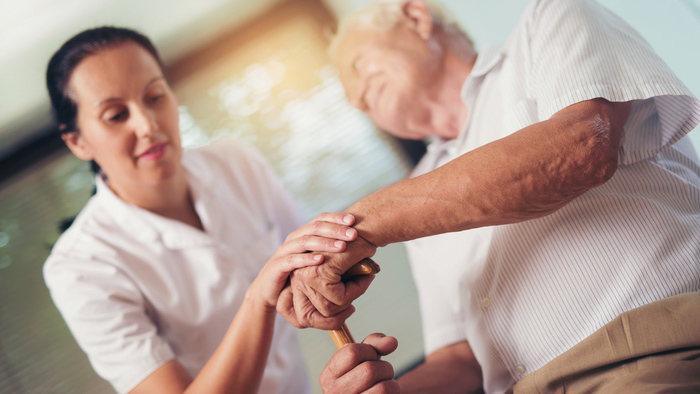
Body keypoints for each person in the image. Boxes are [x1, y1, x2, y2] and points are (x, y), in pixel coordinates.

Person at [277, 0, 700, 393]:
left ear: (415, 17)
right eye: (354, 102)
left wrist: (362, 225)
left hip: (651, 353)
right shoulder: (412, 193)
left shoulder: (548, 20)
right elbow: (462, 360)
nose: (355, 98)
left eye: (358, 65)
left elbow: (583, 146)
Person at [42, 26, 376, 394]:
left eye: (154, 96)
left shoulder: (235, 161)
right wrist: (258, 298)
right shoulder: (78, 268)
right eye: (116, 115)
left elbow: (309, 267)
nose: (147, 125)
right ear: (77, 141)